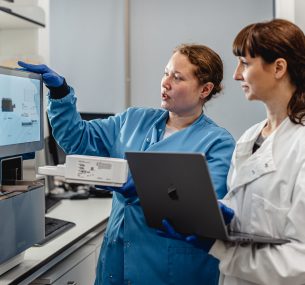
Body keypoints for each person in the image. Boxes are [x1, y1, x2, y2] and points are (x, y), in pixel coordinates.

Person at [18, 44, 235, 285]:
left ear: (205, 89)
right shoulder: (133, 120)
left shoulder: (218, 143)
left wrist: (147, 190)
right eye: (165, 73)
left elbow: (202, 213)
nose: (166, 82)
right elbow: (78, 139)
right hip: (116, 262)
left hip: (170, 270)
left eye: (177, 77)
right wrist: (60, 93)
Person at [162, 19, 305, 285]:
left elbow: (300, 263)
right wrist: (216, 214)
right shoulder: (250, 138)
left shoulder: (301, 146)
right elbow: (250, 213)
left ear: (279, 67)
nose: (236, 74)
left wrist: (220, 248)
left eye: (245, 63)